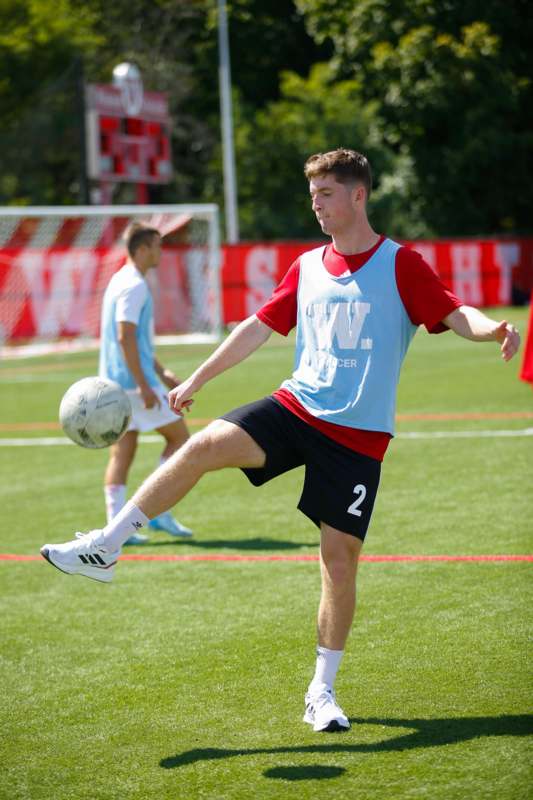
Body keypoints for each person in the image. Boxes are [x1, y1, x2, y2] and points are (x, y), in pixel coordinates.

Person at [41, 149, 520, 733]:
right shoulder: (307, 266)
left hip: (358, 440)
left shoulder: (401, 264)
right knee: (199, 447)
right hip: (296, 407)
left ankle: (321, 692)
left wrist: (492, 326)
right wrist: (198, 378)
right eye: (313, 195)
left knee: (338, 563)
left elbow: (451, 313)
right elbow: (257, 327)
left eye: (326, 194)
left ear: (358, 196)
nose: (316, 205)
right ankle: (106, 546)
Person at [98, 222, 193, 545]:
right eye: (156, 246)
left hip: (115, 381)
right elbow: (125, 336)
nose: (160, 252)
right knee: (181, 440)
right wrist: (143, 384)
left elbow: (133, 340)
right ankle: (160, 511)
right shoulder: (134, 285)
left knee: (122, 452)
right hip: (131, 384)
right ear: (141, 249)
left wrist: (162, 373)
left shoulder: (119, 280)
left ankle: (116, 529)